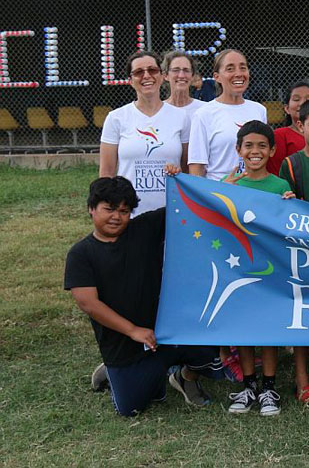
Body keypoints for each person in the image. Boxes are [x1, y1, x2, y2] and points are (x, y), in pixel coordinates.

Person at [65, 175, 222, 416]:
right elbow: (89, 304)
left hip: (166, 332)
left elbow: (187, 206)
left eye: (124, 211)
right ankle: (115, 372)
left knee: (210, 355)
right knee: (131, 408)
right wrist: (132, 330)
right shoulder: (81, 254)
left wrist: (222, 188)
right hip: (123, 343)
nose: (116, 217)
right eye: (108, 209)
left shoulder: (144, 228)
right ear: (91, 209)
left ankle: (183, 377)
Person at [220, 121, 296, 417]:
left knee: (268, 328)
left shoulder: (280, 186)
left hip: (271, 268)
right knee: (244, 328)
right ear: (238, 150)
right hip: (239, 267)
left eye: (262, 146)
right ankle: (248, 385)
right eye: (248, 146)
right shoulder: (231, 185)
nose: (255, 151)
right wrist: (220, 193)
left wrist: (291, 204)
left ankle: (269, 387)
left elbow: (288, 224)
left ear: (272, 150)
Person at [99, 50, 189, 215]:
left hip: (172, 212)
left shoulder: (181, 117)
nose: (146, 76)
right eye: (139, 72)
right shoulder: (116, 118)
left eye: (152, 70)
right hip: (130, 213)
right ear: (130, 80)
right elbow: (106, 173)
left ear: (162, 76)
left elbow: (188, 170)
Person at [187, 49, 267, 180]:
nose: (238, 74)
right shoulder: (204, 114)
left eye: (243, 68)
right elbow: (196, 169)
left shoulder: (259, 110)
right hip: (219, 196)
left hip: (254, 194)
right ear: (217, 77)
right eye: (230, 69)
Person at [266, 81, 309, 175]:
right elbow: (275, 172)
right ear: (287, 108)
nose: (302, 103)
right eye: (296, 99)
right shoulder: (279, 135)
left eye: (308, 99)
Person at [161, 51, 206, 123]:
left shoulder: (205, 110)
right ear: (165, 76)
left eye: (186, 70)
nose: (181, 75)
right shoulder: (158, 112)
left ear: (192, 76)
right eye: (176, 70)